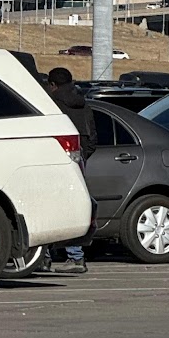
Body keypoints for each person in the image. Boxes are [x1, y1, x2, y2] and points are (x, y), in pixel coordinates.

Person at [44, 65, 97, 275]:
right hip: (77, 161)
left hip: (55, 161)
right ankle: (76, 256)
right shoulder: (84, 105)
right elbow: (93, 139)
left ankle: (44, 258)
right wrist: (81, 158)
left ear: (53, 85)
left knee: (47, 207)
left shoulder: (51, 104)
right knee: (74, 207)